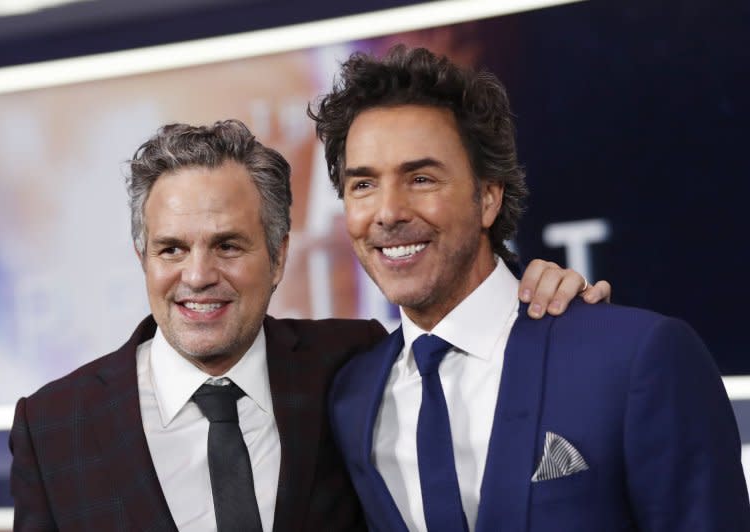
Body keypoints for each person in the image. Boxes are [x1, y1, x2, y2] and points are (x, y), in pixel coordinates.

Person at [9, 120, 606, 531]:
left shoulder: (353, 363)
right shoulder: (54, 427)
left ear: (279, 256)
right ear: (142, 260)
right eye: (170, 250)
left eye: (228, 245)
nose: (198, 275)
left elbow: (464, 328)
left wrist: (538, 294)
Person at [314, 46, 750, 531]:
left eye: (421, 178)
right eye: (363, 185)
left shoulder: (636, 358)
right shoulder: (350, 398)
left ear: (487, 198)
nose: (388, 211)